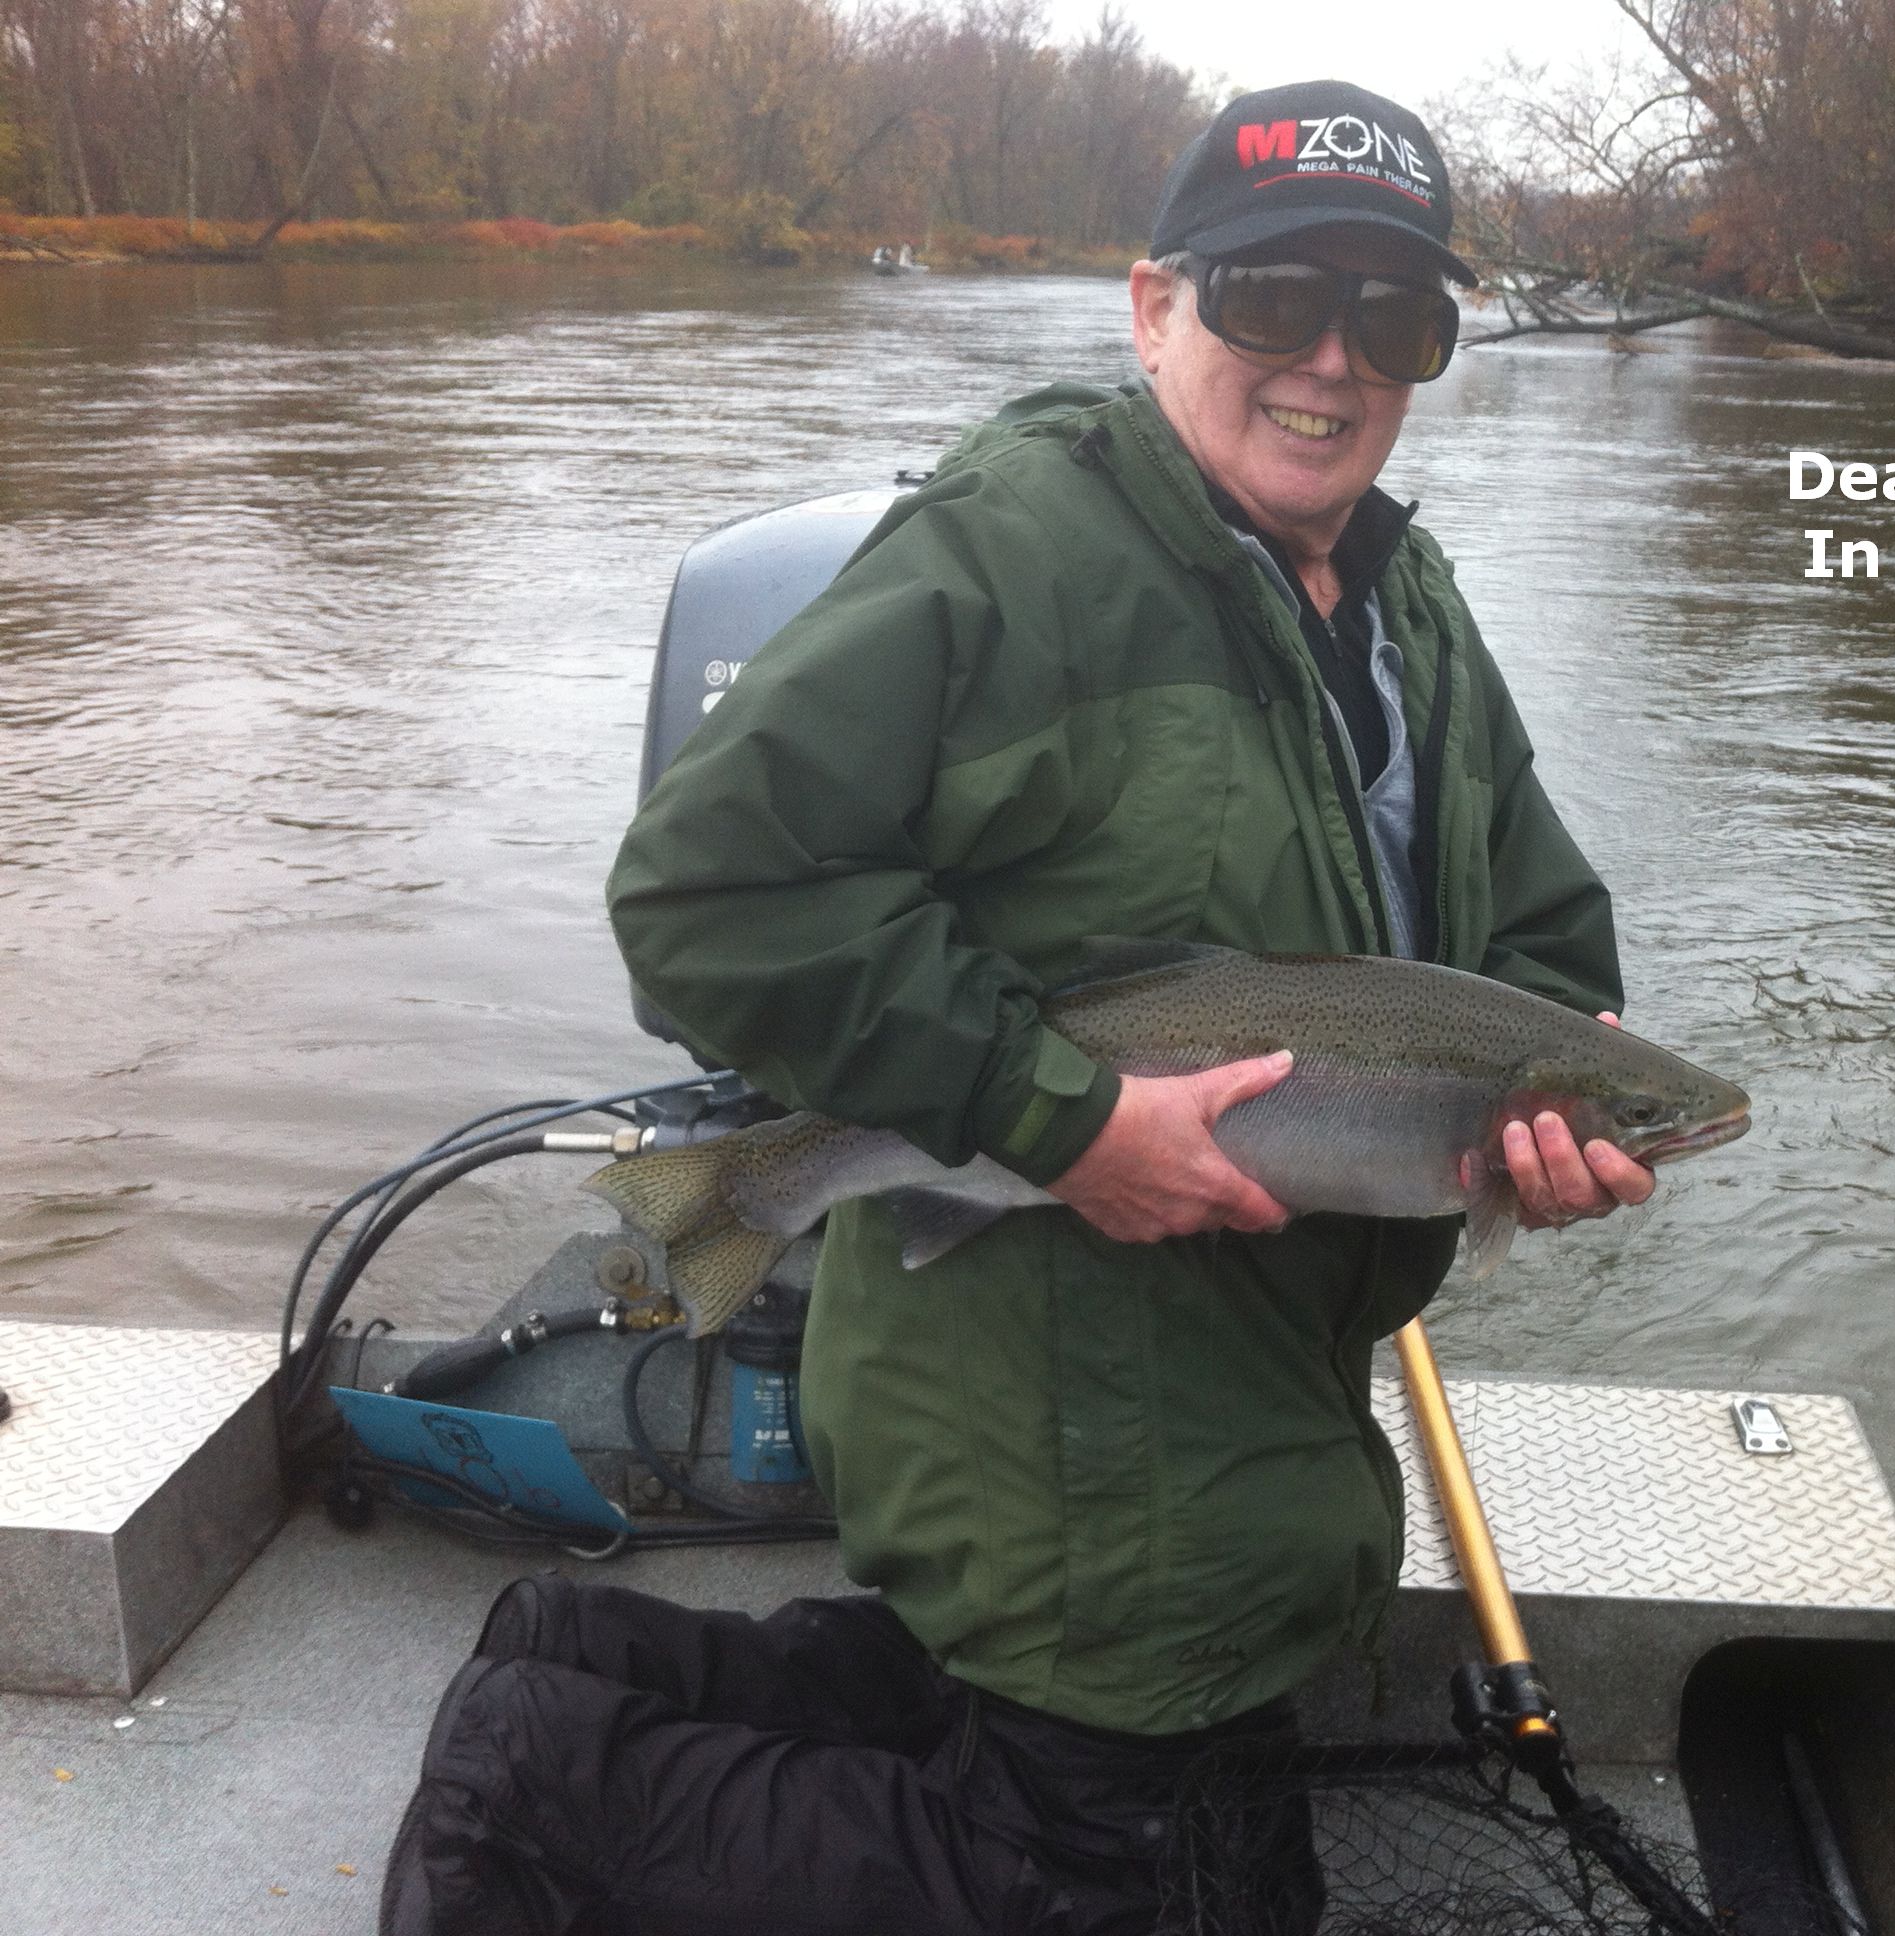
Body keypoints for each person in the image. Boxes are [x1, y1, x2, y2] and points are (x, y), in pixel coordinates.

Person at [382, 79, 1655, 1936]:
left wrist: (1563, 1091)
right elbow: (703, 896)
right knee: (1105, 1889)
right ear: (1154, 306)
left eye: (1395, 319)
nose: (1332, 361)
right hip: (1061, 1430)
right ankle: (537, 1777)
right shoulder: (1010, 555)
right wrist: (1064, 1122)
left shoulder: (1405, 595)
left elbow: (1533, 934)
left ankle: (577, 1664)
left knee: (1177, 1816)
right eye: (1273, 298)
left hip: (1259, 1421)